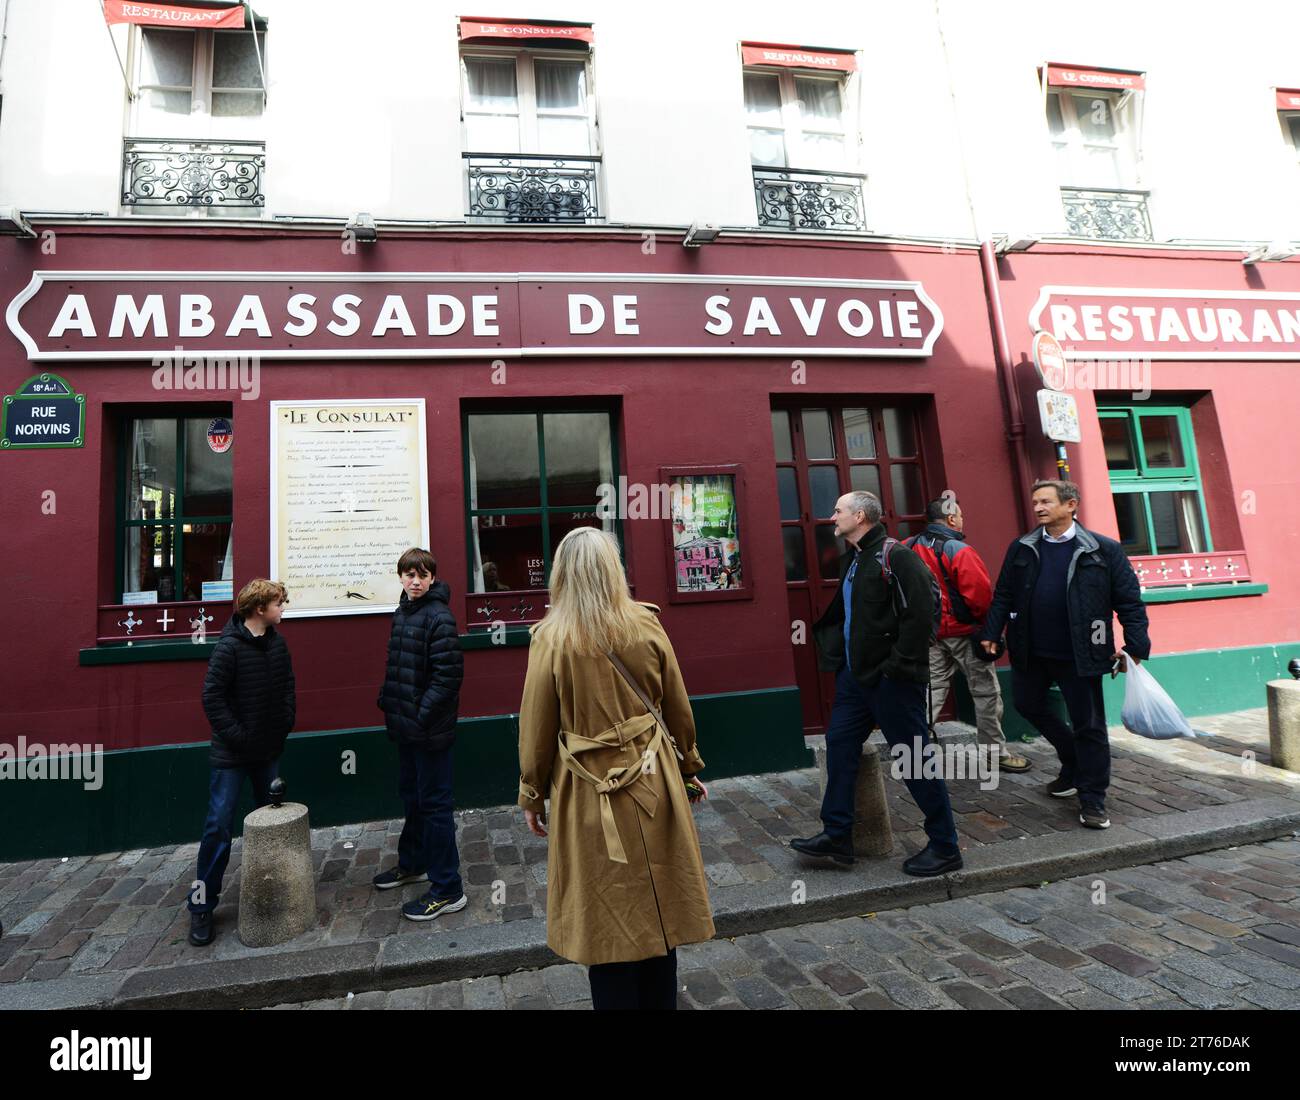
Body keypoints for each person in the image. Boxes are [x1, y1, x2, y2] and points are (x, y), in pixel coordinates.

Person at [517, 527, 715, 1010]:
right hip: (654, 781)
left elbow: (537, 727)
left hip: (588, 792)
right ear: (614, 569)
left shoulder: (551, 640)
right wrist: (688, 765)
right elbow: (678, 706)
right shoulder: (646, 626)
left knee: (606, 919)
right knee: (661, 905)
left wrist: (532, 793)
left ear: (562, 575)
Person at [793, 491, 964, 877]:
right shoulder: (854, 558)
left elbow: (922, 615)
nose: (831, 517)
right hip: (855, 679)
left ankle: (945, 846)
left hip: (892, 681)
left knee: (914, 759)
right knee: (838, 744)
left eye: (838, 511)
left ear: (859, 516)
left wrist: (895, 667)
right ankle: (837, 836)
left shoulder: (896, 556)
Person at [978, 479, 1150, 830]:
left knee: (1089, 725)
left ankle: (1093, 799)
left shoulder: (1103, 549)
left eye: (1046, 501)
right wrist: (991, 633)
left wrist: (1136, 647)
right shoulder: (1022, 547)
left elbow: (1129, 602)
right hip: (1031, 648)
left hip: (1082, 651)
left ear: (1071, 505)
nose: (1038, 508)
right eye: (1035, 501)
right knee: (1027, 703)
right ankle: (1072, 759)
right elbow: (1004, 594)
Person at [190, 578, 296, 946]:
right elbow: (212, 698)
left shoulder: (278, 645)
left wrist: (283, 726)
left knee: (272, 821)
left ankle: (278, 891)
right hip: (232, 755)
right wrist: (238, 737)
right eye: (279, 603)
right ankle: (201, 905)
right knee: (218, 825)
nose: (284, 608)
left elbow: (287, 691)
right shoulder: (229, 648)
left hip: (267, 751)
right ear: (259, 608)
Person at [372, 548, 466, 920]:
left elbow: (448, 677)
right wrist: (388, 700)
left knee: (436, 808)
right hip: (407, 729)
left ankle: (448, 888)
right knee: (412, 797)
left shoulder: (439, 617)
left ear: (432, 578)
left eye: (422, 575)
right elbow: (400, 664)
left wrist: (420, 714)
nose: (415, 581)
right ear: (400, 577)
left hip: (429, 732)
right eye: (409, 574)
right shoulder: (403, 612)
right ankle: (413, 863)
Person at [906, 497, 1032, 772]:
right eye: (960, 515)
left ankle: (914, 752)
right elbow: (981, 597)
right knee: (985, 694)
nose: (963, 519)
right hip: (965, 633)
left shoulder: (908, 547)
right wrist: (990, 631)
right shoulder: (958, 549)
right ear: (951, 519)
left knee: (930, 692)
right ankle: (995, 754)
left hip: (929, 634)